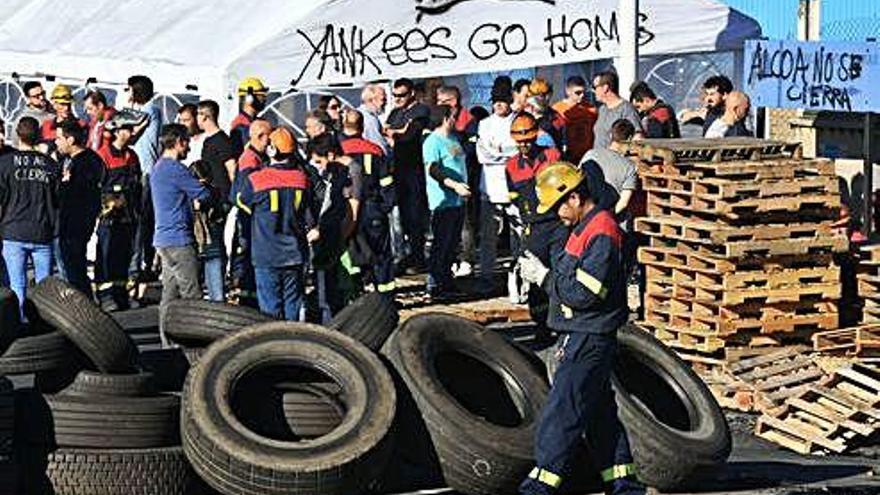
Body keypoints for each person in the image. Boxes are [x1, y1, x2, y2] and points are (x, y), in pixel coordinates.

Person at [516, 162, 644, 495]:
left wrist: (543, 278)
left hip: (588, 335)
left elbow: (587, 293)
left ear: (574, 197)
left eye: (558, 205)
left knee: (562, 411)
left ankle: (540, 486)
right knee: (600, 414)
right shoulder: (584, 228)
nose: (557, 213)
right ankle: (622, 481)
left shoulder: (600, 231)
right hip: (586, 333)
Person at [234, 127, 313, 320]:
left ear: (271, 150)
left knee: (269, 310)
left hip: (266, 254)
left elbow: (241, 201)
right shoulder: (302, 180)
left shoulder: (256, 180)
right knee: (292, 306)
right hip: (294, 254)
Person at [151, 124, 211, 347]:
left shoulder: (158, 168)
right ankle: (194, 344)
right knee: (191, 295)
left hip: (163, 239)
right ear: (178, 142)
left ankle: (168, 343)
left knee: (170, 294)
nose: (188, 147)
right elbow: (203, 194)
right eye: (186, 142)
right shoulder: (176, 169)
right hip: (180, 239)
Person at [505, 112, 565, 333]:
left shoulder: (552, 156)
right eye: (520, 141)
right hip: (533, 227)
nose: (524, 145)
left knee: (559, 272)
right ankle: (541, 324)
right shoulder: (511, 166)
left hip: (557, 225)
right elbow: (513, 198)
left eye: (528, 140)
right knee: (534, 277)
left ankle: (561, 321)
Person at [0, 117, 60, 318]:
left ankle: (20, 324)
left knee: (17, 285)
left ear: (17, 134)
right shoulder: (51, 165)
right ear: (40, 136)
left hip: (13, 231)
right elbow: (58, 199)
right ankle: (44, 323)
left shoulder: (5, 163)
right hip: (42, 230)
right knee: (45, 286)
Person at [340, 110, 397, 295]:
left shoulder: (339, 151)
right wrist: (385, 208)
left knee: (351, 255)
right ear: (363, 126)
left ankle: (356, 295)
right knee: (380, 255)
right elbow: (387, 183)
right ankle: (385, 296)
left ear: (343, 125)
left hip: (347, 210)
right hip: (373, 208)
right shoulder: (375, 150)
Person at [475, 78, 519, 298]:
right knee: (488, 235)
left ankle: (519, 275)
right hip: (490, 187)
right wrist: (505, 151)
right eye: (495, 102)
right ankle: (486, 274)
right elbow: (483, 154)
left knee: (518, 234)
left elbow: (519, 151)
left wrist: (499, 150)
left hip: (514, 186)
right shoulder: (484, 124)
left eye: (502, 101)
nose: (498, 105)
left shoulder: (519, 121)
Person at [306, 134, 357, 322]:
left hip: (338, 239)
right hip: (329, 236)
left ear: (330, 154)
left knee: (336, 289)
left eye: (319, 161)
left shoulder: (350, 172)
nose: (318, 166)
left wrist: (340, 240)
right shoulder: (335, 174)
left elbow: (352, 210)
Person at [423, 104, 471, 300]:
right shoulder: (432, 142)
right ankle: (434, 284)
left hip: (458, 201)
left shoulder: (453, 138)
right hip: (442, 202)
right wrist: (453, 185)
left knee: (452, 243)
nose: (455, 120)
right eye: (452, 117)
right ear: (445, 119)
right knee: (441, 244)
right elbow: (433, 170)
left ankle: (447, 281)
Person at [96, 113, 143, 311]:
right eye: (127, 129)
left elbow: (138, 185)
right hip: (109, 217)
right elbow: (97, 187)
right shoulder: (103, 155)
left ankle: (122, 293)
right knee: (106, 256)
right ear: (116, 131)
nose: (131, 132)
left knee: (124, 256)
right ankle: (106, 296)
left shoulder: (132, 156)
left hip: (128, 216)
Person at [581, 119, 638, 280]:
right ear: (630, 139)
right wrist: (608, 217)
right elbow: (624, 203)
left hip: (587, 222)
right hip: (615, 227)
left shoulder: (591, 154)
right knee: (615, 275)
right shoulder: (629, 167)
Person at [385, 78, 431, 273]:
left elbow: (410, 134)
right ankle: (406, 254)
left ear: (411, 93)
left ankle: (418, 256)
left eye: (402, 95)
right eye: (395, 95)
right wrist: (398, 133)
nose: (397, 99)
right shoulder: (395, 112)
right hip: (398, 169)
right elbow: (388, 130)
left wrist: (396, 133)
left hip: (414, 169)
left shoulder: (421, 110)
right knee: (401, 216)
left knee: (415, 215)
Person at [54, 120, 104, 299]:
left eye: (59, 138)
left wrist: (65, 186)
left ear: (71, 139)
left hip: (78, 223)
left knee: (74, 269)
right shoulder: (67, 160)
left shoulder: (88, 162)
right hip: (66, 222)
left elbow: (82, 193)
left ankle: (83, 305)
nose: (56, 142)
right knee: (70, 266)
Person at [437, 84, 480, 278]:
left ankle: (466, 258)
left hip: (464, 177)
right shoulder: (440, 121)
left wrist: (455, 149)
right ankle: (451, 257)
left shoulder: (468, 121)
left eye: (441, 102)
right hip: (444, 181)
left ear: (452, 102)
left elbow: (470, 149)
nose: (438, 106)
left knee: (465, 222)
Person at [229, 119, 272, 307]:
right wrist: (258, 214)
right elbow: (242, 195)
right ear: (259, 136)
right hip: (248, 221)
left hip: (250, 220)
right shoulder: (250, 160)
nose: (270, 145)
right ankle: (247, 301)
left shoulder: (256, 157)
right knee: (246, 260)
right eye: (268, 140)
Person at [128, 75, 163, 301]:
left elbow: (127, 132)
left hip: (143, 170)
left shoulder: (149, 111)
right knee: (146, 220)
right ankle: (144, 262)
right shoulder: (154, 111)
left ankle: (139, 264)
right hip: (146, 170)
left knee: (140, 220)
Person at [552, 76, 598, 163]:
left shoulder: (591, 109)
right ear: (568, 91)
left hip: (588, 156)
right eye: (578, 93)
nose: (582, 96)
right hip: (567, 156)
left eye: (584, 92)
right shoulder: (558, 109)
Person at [592, 71, 642, 150]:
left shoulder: (626, 109)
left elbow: (637, 137)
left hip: (614, 159)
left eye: (595, 87)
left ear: (605, 88)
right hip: (598, 158)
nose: (593, 91)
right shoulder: (602, 110)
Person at [230, 77, 269, 154]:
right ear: (249, 98)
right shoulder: (241, 126)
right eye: (260, 96)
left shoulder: (256, 121)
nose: (264, 100)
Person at [526, 78, 565, 151]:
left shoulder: (557, 118)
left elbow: (563, 143)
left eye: (546, 95)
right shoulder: (523, 116)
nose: (545, 98)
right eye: (540, 95)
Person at [358, 84, 390, 154]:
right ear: (371, 100)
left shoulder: (359, 113)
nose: (386, 103)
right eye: (383, 99)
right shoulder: (370, 119)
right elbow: (379, 146)